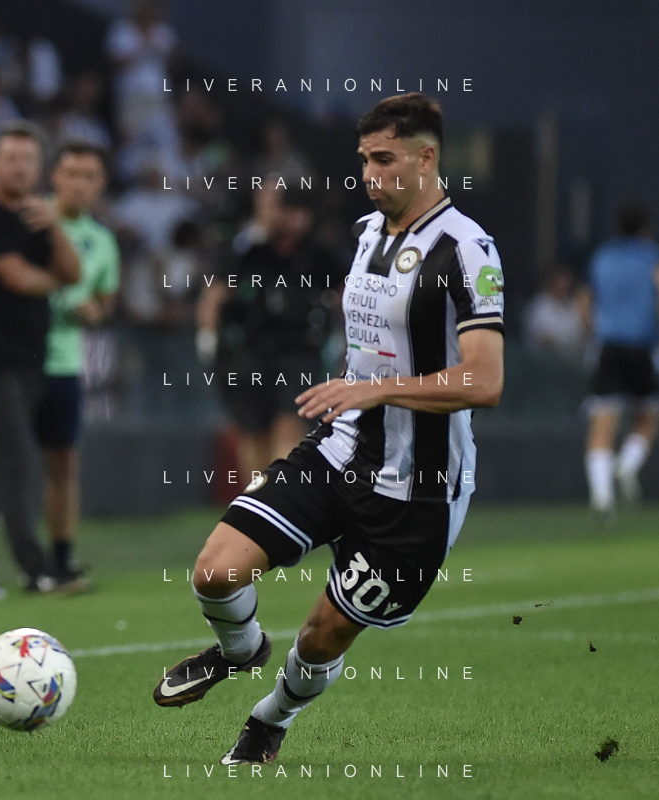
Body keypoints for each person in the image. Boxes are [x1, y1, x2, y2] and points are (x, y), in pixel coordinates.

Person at [153, 94, 505, 765]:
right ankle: (240, 650)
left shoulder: (467, 250)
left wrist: (377, 388)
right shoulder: (368, 232)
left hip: (417, 490)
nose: (369, 175)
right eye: (364, 159)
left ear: (426, 158)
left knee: (321, 635)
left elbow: (484, 381)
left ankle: (270, 720)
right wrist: (356, 384)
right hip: (341, 450)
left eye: (384, 159)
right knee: (214, 573)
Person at [0, 121, 81, 596]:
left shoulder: (36, 215)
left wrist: (56, 227)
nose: (21, 168)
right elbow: (18, 277)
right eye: (11, 158)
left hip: (29, 354)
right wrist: (56, 281)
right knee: (19, 457)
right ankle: (34, 566)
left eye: (29, 159)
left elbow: (73, 271)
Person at [198, 187, 342, 483]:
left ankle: (279, 497)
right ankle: (256, 498)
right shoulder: (248, 249)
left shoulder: (317, 252)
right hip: (251, 350)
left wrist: (344, 336)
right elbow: (216, 292)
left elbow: (344, 294)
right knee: (254, 430)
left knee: (290, 423)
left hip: (300, 350)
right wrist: (208, 336)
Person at [39, 141, 120, 589]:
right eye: (71, 173)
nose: (78, 184)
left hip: (66, 361)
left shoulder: (102, 240)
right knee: (2, 463)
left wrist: (94, 312)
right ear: (54, 177)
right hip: (16, 359)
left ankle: (60, 557)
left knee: (64, 463)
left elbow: (106, 303)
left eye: (89, 176)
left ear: (101, 184)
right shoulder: (31, 219)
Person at [583, 201, 659, 515]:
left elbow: (586, 301)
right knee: (648, 416)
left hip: (609, 346)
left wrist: (590, 332)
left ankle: (602, 497)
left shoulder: (602, 258)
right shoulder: (651, 257)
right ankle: (627, 464)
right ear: (645, 228)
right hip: (641, 346)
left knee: (602, 422)